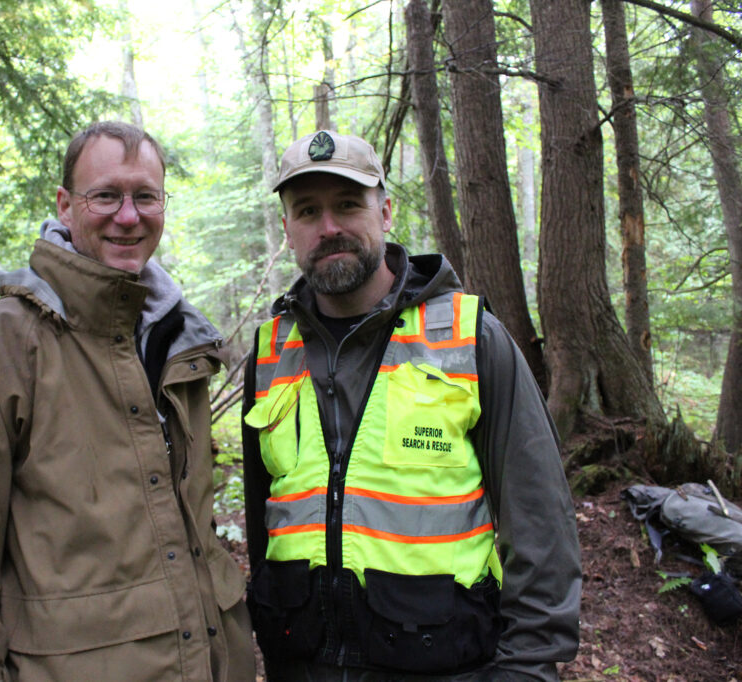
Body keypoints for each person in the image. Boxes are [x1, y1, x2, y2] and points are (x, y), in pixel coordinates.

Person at [0, 121, 255, 681]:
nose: (128, 215)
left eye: (145, 196)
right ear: (66, 205)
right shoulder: (0, 343)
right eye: (106, 195)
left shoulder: (180, 339)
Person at [242, 130, 581, 681]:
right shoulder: (270, 352)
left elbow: (541, 523)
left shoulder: (471, 338)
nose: (329, 228)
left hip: (446, 664)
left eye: (348, 204)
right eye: (307, 211)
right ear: (287, 229)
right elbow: (264, 526)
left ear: (386, 210)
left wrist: (529, 667)